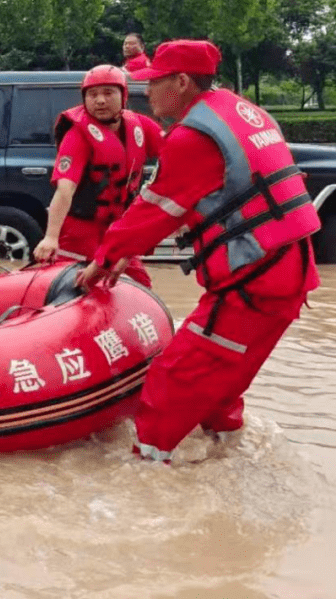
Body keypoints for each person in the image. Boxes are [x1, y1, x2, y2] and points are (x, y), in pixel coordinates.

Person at [77, 40, 321, 463]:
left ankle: (147, 479)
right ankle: (227, 456)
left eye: (155, 83)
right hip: (291, 275)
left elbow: (153, 211)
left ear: (183, 82)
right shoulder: (242, 112)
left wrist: (102, 259)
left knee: (170, 383)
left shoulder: (193, 137)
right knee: (223, 383)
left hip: (251, 286)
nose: (146, 92)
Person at [33, 65, 164, 287]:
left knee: (141, 285)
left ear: (123, 96)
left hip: (119, 230)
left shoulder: (140, 126)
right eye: (92, 95)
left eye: (108, 93)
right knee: (68, 287)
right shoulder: (77, 135)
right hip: (79, 232)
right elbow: (65, 189)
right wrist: (50, 237)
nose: (100, 101)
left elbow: (176, 151)